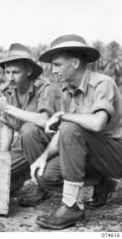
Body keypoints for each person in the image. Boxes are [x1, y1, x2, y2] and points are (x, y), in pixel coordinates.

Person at [32, 34, 122, 230]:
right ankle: (102, 182)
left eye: (57, 64)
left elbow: (97, 123)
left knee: (71, 125)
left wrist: (63, 115)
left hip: (116, 155)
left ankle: (73, 206)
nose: (53, 71)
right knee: (44, 175)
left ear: (74, 63)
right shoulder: (67, 90)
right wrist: (43, 157)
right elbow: (65, 130)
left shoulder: (102, 83)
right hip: (91, 155)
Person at [0, 43, 56, 205]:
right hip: (24, 145)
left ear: (28, 71)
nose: (10, 77)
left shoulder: (44, 87)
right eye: (7, 72)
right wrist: (2, 158)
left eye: (15, 72)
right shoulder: (6, 90)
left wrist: (8, 107)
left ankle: (43, 187)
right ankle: (22, 174)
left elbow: (43, 120)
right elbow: (7, 125)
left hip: (50, 145)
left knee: (29, 129)